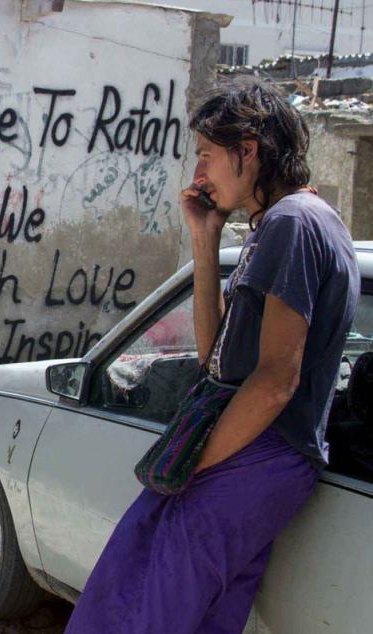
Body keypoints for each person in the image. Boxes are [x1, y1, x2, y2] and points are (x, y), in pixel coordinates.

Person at [65, 78, 360, 633]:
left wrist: (196, 465)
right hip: (262, 453)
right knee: (199, 617)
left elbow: (275, 379)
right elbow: (215, 357)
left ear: (248, 149)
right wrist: (206, 239)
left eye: (205, 155)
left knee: (140, 608)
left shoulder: (293, 223)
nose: (198, 175)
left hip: (257, 449)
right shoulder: (288, 224)